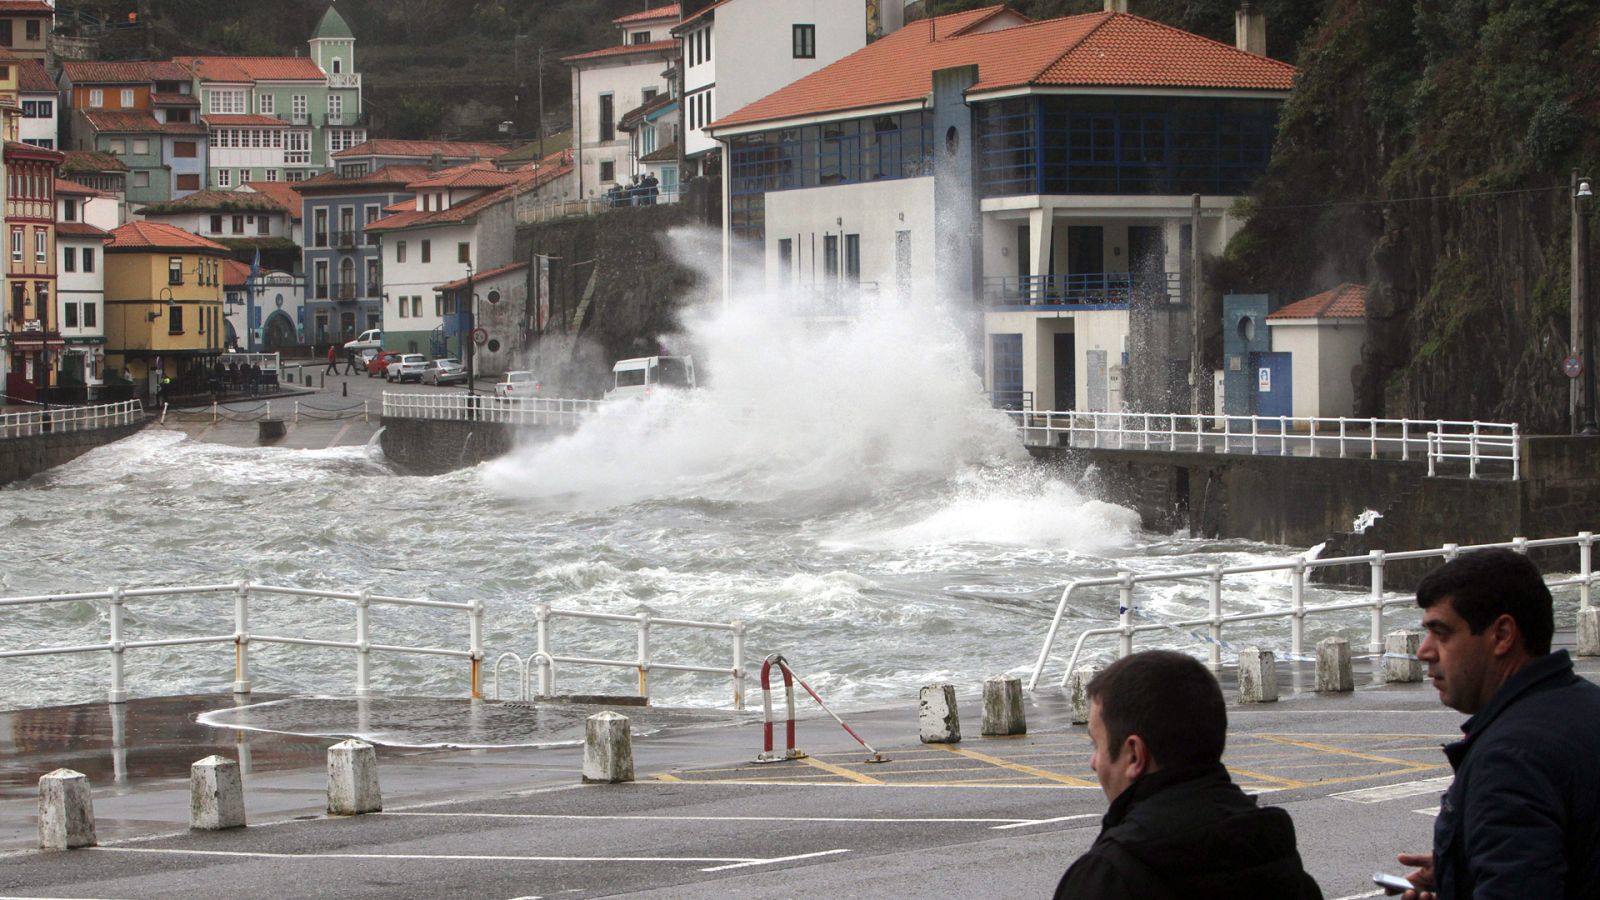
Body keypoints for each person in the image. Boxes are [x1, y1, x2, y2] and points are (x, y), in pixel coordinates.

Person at [1389, 548, 1600, 900]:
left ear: (1502, 634)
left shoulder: (1510, 760)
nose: (1424, 651)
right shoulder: (1586, 705)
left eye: (1441, 633)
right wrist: (1464, 867)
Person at [1055, 650, 1321, 899]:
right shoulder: (1276, 858)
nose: (1093, 762)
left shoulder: (1106, 878)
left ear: (1134, 756)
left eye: (1096, 745)